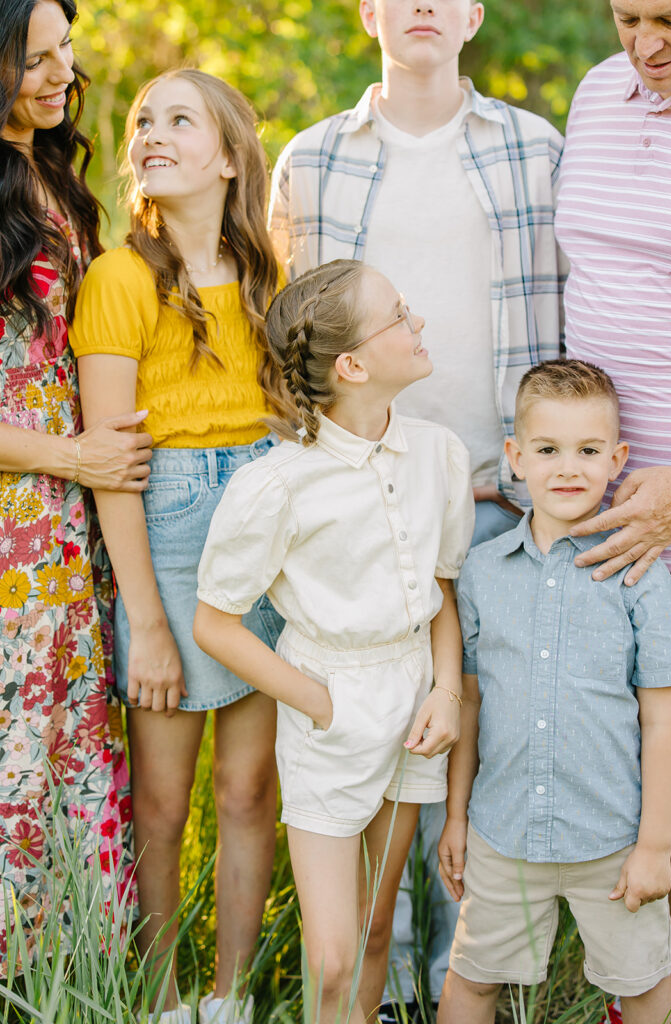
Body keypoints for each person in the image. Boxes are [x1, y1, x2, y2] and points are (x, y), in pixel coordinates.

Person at [268, 0, 566, 1002]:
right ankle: (376, 986)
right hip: (360, 498)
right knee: (374, 738)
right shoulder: (311, 159)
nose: (424, 6)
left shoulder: (534, 148)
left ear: (474, 13)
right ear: (369, 15)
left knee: (474, 743)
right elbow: (290, 331)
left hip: (501, 496)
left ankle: (463, 983)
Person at [193, 258, 475, 1024]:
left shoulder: (437, 455)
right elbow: (214, 621)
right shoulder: (278, 484)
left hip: (414, 701)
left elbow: (440, 588)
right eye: (398, 315)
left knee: (379, 927)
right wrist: (317, 700)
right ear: (351, 365)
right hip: (330, 710)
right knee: (333, 956)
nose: (416, 323)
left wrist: (446, 691)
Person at [70, 69, 289, 1024]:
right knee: (161, 803)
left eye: (179, 120)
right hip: (165, 529)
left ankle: (230, 999)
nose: (152, 134)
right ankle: (158, 1001)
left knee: (247, 790)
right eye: (145, 122)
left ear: (232, 157)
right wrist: (147, 623)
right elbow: (115, 465)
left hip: (265, 524)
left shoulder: (268, 275)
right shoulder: (119, 278)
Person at [437, 359, 671, 1024]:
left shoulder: (642, 579)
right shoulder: (483, 573)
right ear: (514, 457)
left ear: (617, 459)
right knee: (470, 979)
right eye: (546, 450)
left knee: (644, 986)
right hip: (501, 831)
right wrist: (457, 815)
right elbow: (470, 699)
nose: (567, 468)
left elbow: (662, 724)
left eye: (587, 451)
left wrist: (653, 848)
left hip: (608, 838)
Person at [0, 0, 152, 968]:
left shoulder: (48, 178)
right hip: (19, 522)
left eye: (66, 52)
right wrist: (72, 458)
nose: (62, 73)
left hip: (69, 531)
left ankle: (80, 976)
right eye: (35, 57)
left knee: (75, 744)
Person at [554, 1, 671, 988]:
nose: (646, 45)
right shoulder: (597, 93)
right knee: (636, 790)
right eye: (627, 16)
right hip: (599, 520)